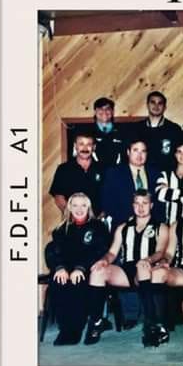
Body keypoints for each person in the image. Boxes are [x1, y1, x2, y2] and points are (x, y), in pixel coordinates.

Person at [89, 190, 170, 346]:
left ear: (151, 205)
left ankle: (152, 325)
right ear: (133, 206)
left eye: (144, 203)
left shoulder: (161, 227)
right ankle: (97, 322)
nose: (141, 207)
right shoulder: (123, 228)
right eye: (137, 203)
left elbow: (160, 251)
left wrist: (148, 259)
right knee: (97, 272)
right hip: (126, 270)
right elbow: (112, 252)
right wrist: (103, 261)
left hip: (148, 269)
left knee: (142, 268)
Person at [44, 193, 111, 345]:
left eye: (83, 205)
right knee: (59, 281)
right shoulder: (61, 229)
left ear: (89, 207)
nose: (79, 209)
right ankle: (65, 330)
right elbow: (53, 250)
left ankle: (75, 330)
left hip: (87, 269)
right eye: (75, 205)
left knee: (78, 282)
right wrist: (59, 268)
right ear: (69, 207)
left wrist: (80, 268)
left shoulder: (98, 227)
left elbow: (98, 251)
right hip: (65, 269)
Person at [100, 138, 163, 230]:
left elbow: (160, 203)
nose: (139, 155)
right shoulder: (114, 173)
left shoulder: (156, 174)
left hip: (151, 227)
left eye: (143, 151)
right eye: (135, 150)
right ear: (128, 152)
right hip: (122, 226)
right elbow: (107, 202)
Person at [50, 131, 105, 216]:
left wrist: (101, 216)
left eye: (89, 144)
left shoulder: (103, 169)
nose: (85, 148)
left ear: (94, 147)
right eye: (81, 144)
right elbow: (59, 197)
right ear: (75, 146)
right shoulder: (64, 169)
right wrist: (72, 216)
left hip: (97, 220)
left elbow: (110, 195)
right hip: (72, 219)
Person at [133, 91, 183, 171]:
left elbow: (178, 155)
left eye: (160, 103)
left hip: (166, 174)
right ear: (147, 105)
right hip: (142, 173)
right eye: (153, 102)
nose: (156, 106)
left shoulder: (174, 129)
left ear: (164, 107)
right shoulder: (136, 128)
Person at [80, 97, 125, 168]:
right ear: (95, 112)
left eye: (108, 109)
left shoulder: (123, 131)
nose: (104, 112)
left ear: (112, 112)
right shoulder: (86, 131)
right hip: (93, 171)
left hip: (117, 171)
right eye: (100, 109)